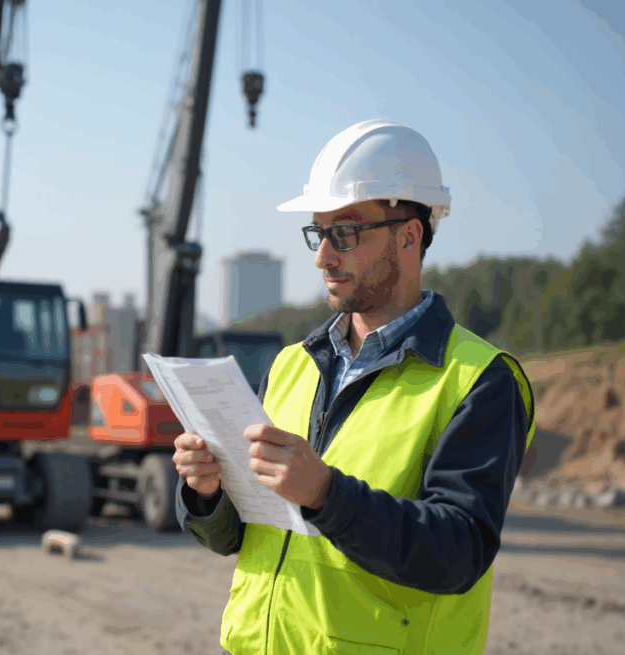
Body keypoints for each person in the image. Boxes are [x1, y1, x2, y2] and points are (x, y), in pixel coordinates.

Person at [173, 119, 535, 655]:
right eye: (319, 234)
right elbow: (241, 539)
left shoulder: (479, 380)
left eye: (343, 233)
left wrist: (325, 494)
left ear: (409, 235)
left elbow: (458, 551)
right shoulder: (291, 366)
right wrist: (205, 496)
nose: (322, 257)